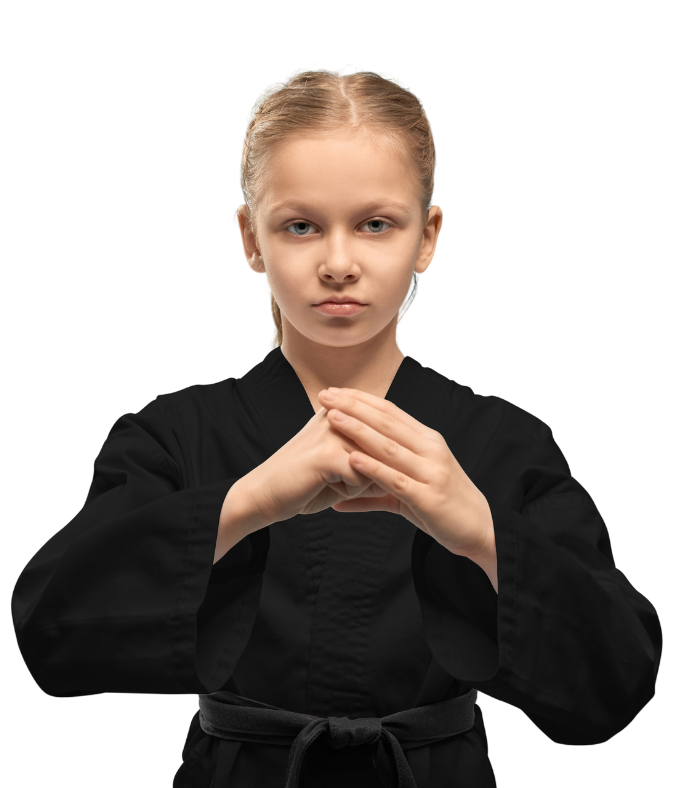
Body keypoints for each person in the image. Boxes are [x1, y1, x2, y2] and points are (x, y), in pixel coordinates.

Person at [11, 64, 661, 787]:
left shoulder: (504, 442)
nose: (339, 263)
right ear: (250, 239)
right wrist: (248, 501)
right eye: (300, 226)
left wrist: (478, 529)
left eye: (375, 224)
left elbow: (618, 681)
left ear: (427, 235)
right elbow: (50, 632)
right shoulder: (171, 432)